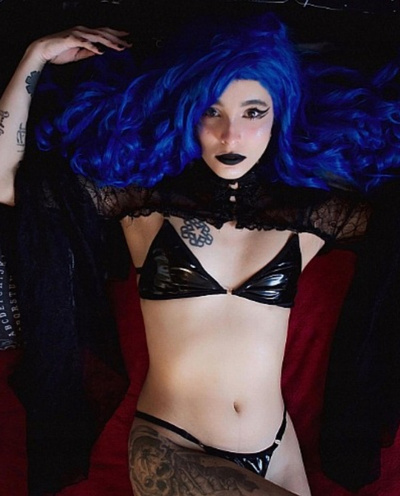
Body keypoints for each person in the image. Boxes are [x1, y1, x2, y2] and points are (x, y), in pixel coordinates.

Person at [0, 13, 398, 496]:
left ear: (281, 114)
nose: (230, 136)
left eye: (253, 112)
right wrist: (35, 56)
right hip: (172, 446)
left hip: (279, 449)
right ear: (187, 112)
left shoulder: (311, 215)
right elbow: (5, 182)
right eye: (212, 111)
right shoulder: (143, 204)